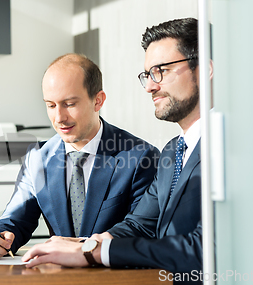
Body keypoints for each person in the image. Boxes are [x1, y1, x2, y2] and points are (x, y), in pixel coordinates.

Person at [22, 18, 210, 282]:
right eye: (147, 74)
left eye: (162, 71)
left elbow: (205, 249)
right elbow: (140, 225)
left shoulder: (231, 149)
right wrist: (83, 246)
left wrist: (94, 252)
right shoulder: (173, 152)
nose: (150, 86)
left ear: (204, 70)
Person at [0, 53, 160, 260]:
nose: (59, 118)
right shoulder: (38, 157)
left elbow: (141, 228)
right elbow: (15, 219)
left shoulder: (140, 157)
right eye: (51, 105)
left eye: (70, 104)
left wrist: (85, 247)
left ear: (98, 101)